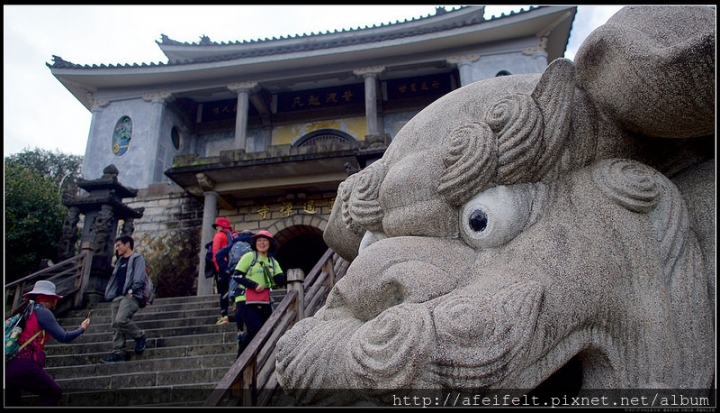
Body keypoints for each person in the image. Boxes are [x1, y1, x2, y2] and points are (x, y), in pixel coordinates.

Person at [5, 280, 90, 406]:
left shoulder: (25, 310)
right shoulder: (42, 312)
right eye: (54, 298)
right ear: (47, 298)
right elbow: (63, 337)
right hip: (24, 363)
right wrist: (82, 328)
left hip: (8, 364)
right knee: (53, 392)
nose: (55, 302)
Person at [231, 230, 287, 358]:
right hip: (245, 299)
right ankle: (242, 360)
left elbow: (279, 277)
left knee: (267, 330)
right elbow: (237, 275)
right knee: (255, 329)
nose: (262, 243)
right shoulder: (249, 257)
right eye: (259, 240)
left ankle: (256, 357)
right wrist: (254, 285)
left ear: (270, 243)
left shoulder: (272, 261)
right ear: (255, 243)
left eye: (265, 240)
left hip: (263, 300)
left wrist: (290, 276)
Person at [100, 235, 148, 363]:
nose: (117, 248)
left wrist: (132, 291)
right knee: (115, 325)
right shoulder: (120, 262)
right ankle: (118, 352)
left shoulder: (137, 258)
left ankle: (139, 335)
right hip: (117, 296)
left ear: (127, 244)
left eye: (119, 245)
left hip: (131, 296)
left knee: (121, 319)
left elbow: (139, 276)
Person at [212, 217, 236, 325]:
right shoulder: (235, 235)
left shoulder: (219, 235)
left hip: (224, 267)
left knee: (223, 292)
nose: (216, 228)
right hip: (236, 267)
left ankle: (224, 316)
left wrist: (219, 269)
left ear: (220, 227)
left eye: (216, 226)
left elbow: (216, 253)